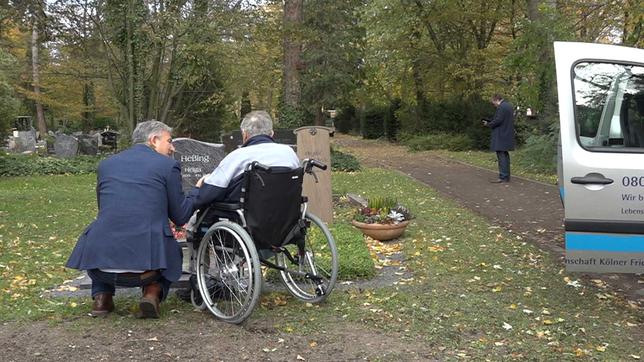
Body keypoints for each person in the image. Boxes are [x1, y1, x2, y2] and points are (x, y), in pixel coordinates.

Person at [66, 120, 198, 318]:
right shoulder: (168, 166)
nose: (173, 147)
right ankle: (152, 292)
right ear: (154, 140)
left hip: (100, 263)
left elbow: (105, 209)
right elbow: (180, 216)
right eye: (169, 141)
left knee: (105, 231)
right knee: (174, 252)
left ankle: (102, 298)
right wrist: (197, 191)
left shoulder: (107, 165)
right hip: (148, 268)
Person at [192, 110, 300, 209]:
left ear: (245, 135)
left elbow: (210, 192)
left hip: (249, 218)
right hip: (284, 216)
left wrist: (201, 185)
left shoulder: (238, 156)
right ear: (271, 134)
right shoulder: (289, 153)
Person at [483, 94, 515, 183]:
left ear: (496, 100)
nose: (494, 105)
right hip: (506, 133)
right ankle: (506, 176)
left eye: (493, 103)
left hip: (501, 134)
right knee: (505, 155)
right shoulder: (508, 106)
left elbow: (498, 120)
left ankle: (503, 176)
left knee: (501, 156)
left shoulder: (501, 107)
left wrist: (488, 124)